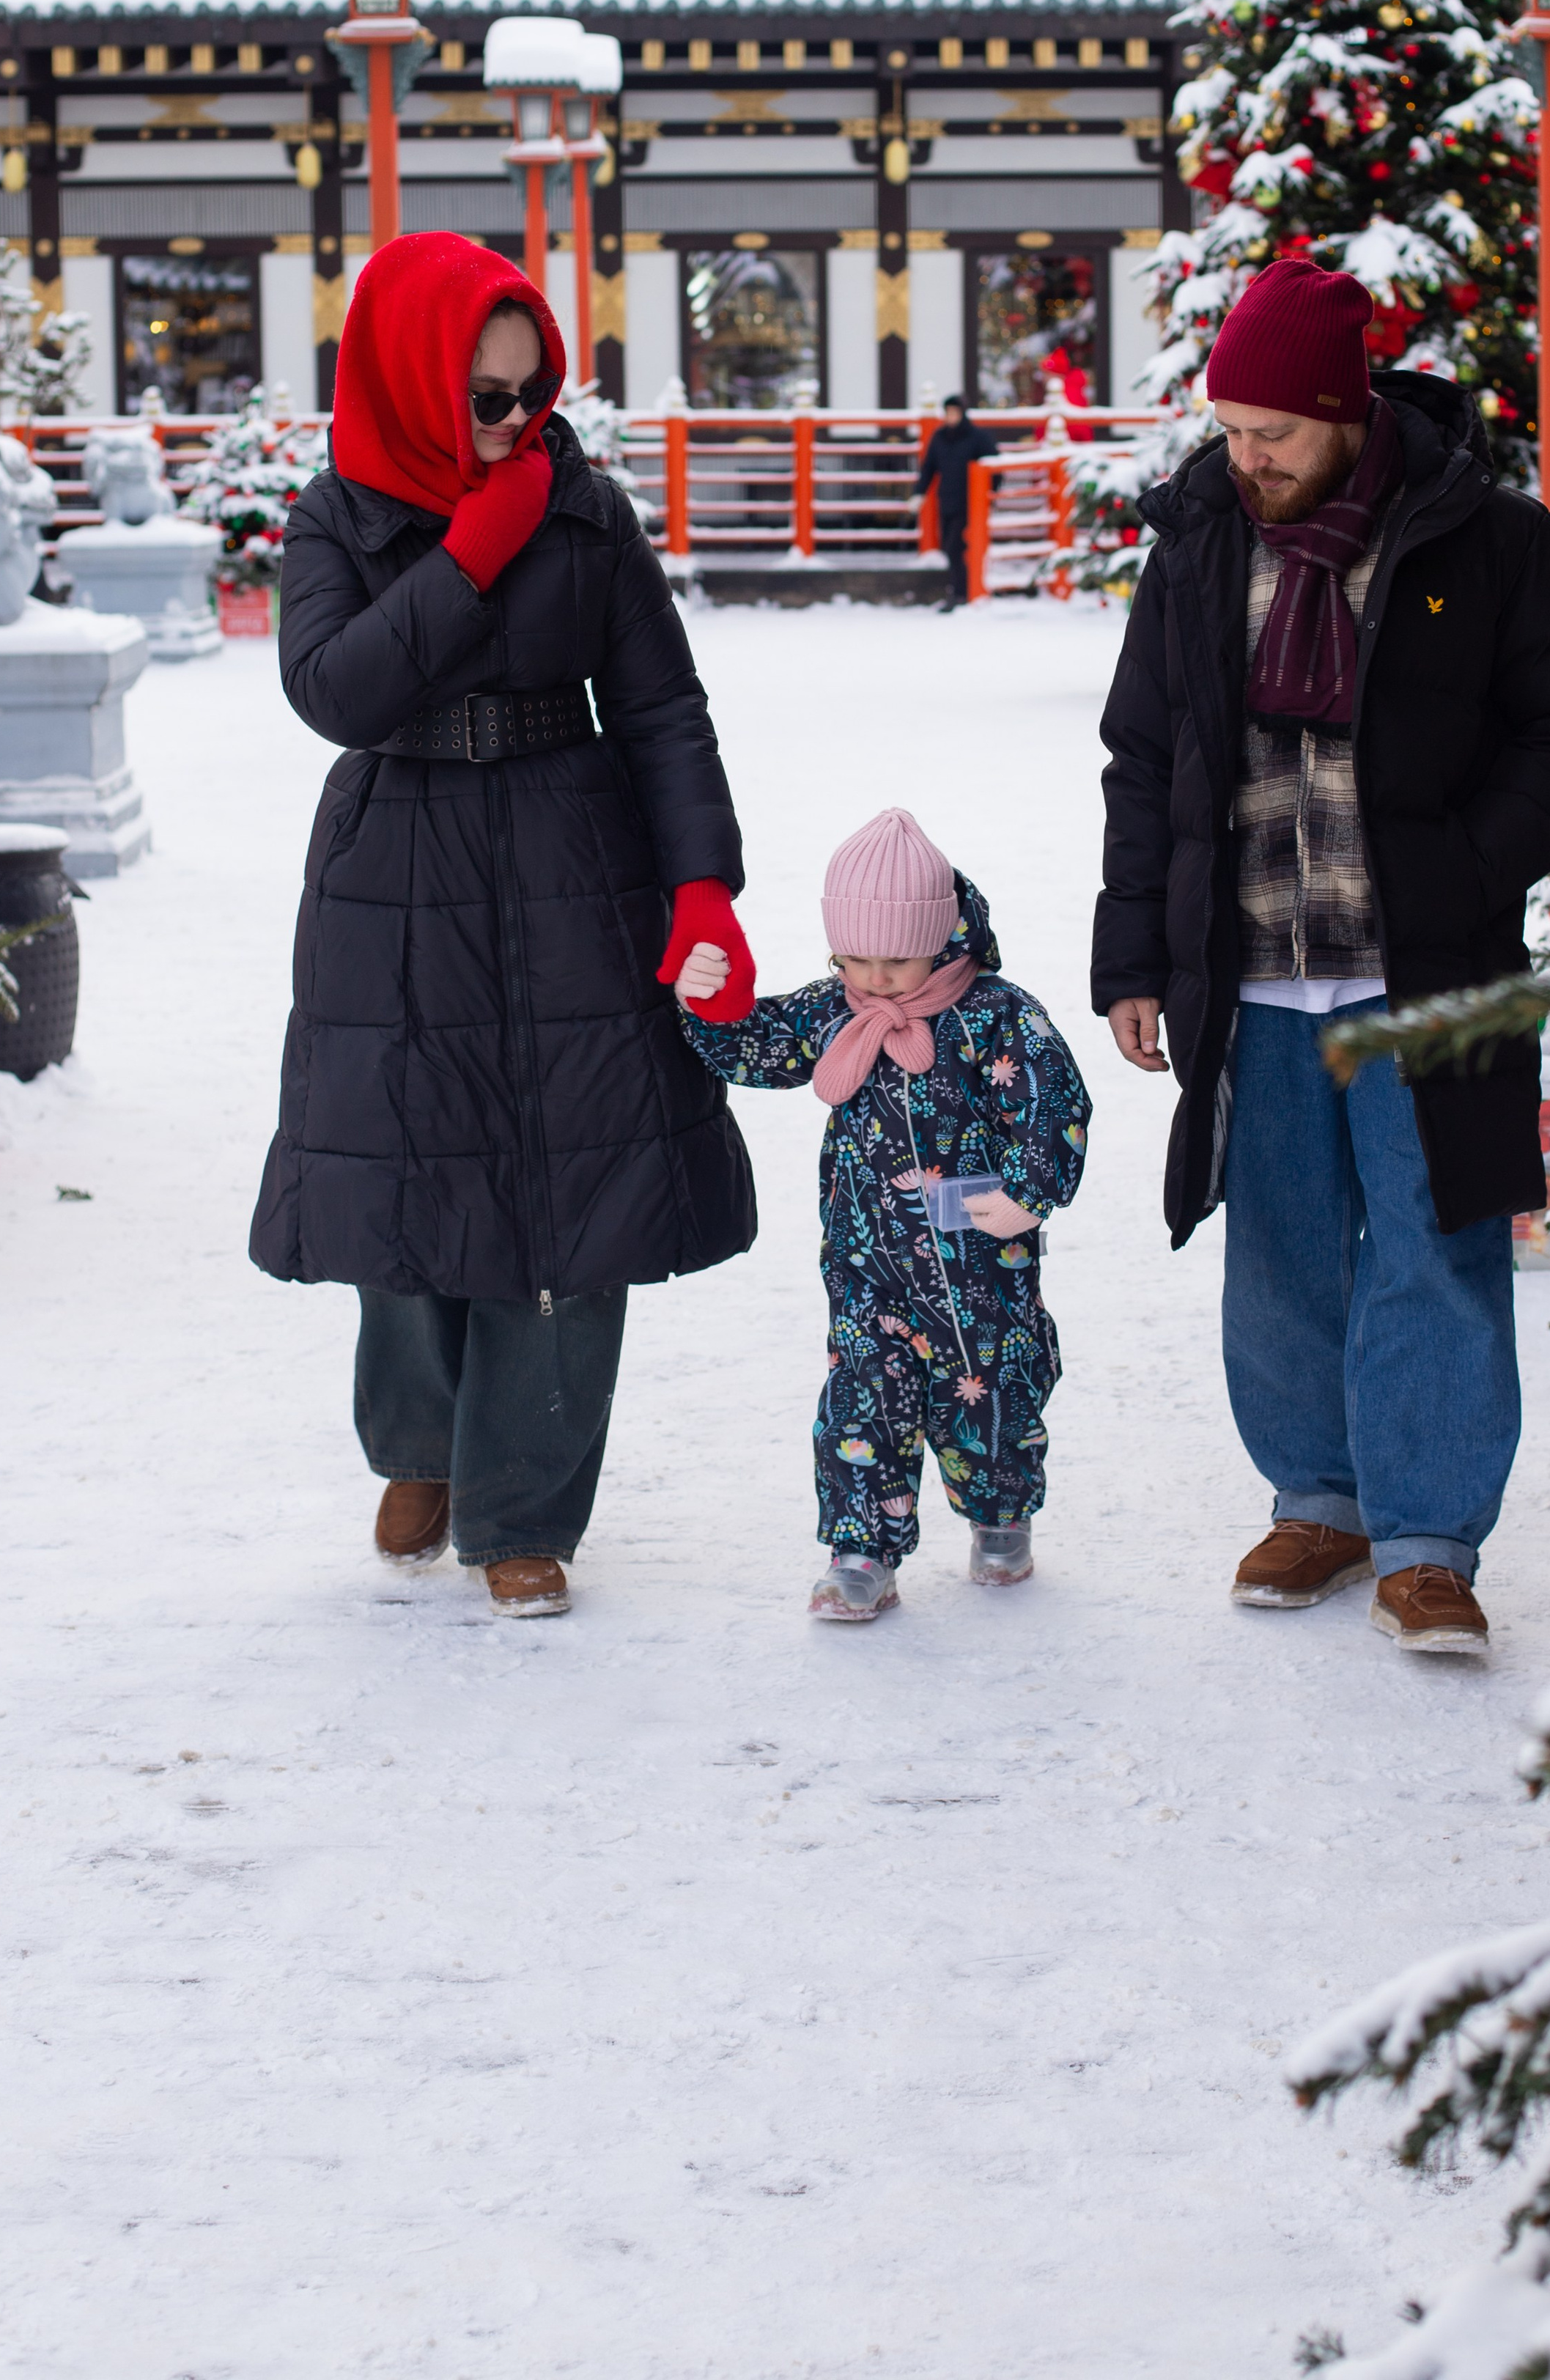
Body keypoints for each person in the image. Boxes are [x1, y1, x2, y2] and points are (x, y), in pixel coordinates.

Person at [1092, 258, 1550, 1655]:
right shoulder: (1205, 541)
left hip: (1426, 968)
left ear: (1345, 415)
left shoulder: (1488, 542)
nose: (1245, 457)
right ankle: (1319, 1499)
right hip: (1253, 963)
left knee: (1435, 1238)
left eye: (1271, 433)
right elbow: (1145, 756)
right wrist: (1135, 953)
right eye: (1229, 431)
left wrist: (1467, 863)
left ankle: (1430, 1537)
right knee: (1278, 1249)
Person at [250, 232, 759, 1618]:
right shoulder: (336, 517)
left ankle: (524, 1500)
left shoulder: (584, 509)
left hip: (569, 851)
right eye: (486, 395)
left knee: (573, 1184)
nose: (516, 423)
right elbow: (335, 692)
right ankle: (421, 1442)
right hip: (396, 858)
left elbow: (661, 703)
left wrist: (703, 880)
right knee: (407, 1172)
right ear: (413, 378)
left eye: (533, 393)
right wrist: (469, 556)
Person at [674, 808, 1090, 1621]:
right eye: (853, 959)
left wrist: (1027, 1191)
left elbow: (1052, 1106)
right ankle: (861, 1549)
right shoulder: (837, 1011)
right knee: (863, 1401)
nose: (876, 980)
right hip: (868, 1266)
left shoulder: (996, 1018)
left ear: (941, 940)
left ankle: (1000, 1514)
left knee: (992, 1397)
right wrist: (708, 1006)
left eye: (897, 960)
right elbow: (761, 1048)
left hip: (980, 1266)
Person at [914, 396, 997, 611]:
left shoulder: (978, 437)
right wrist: (919, 493)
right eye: (948, 412)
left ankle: (963, 592)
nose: (951, 417)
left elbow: (994, 467)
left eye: (955, 412)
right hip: (947, 500)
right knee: (950, 548)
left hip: (971, 503)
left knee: (957, 546)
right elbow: (929, 467)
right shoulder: (940, 437)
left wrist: (990, 495)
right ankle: (961, 590)